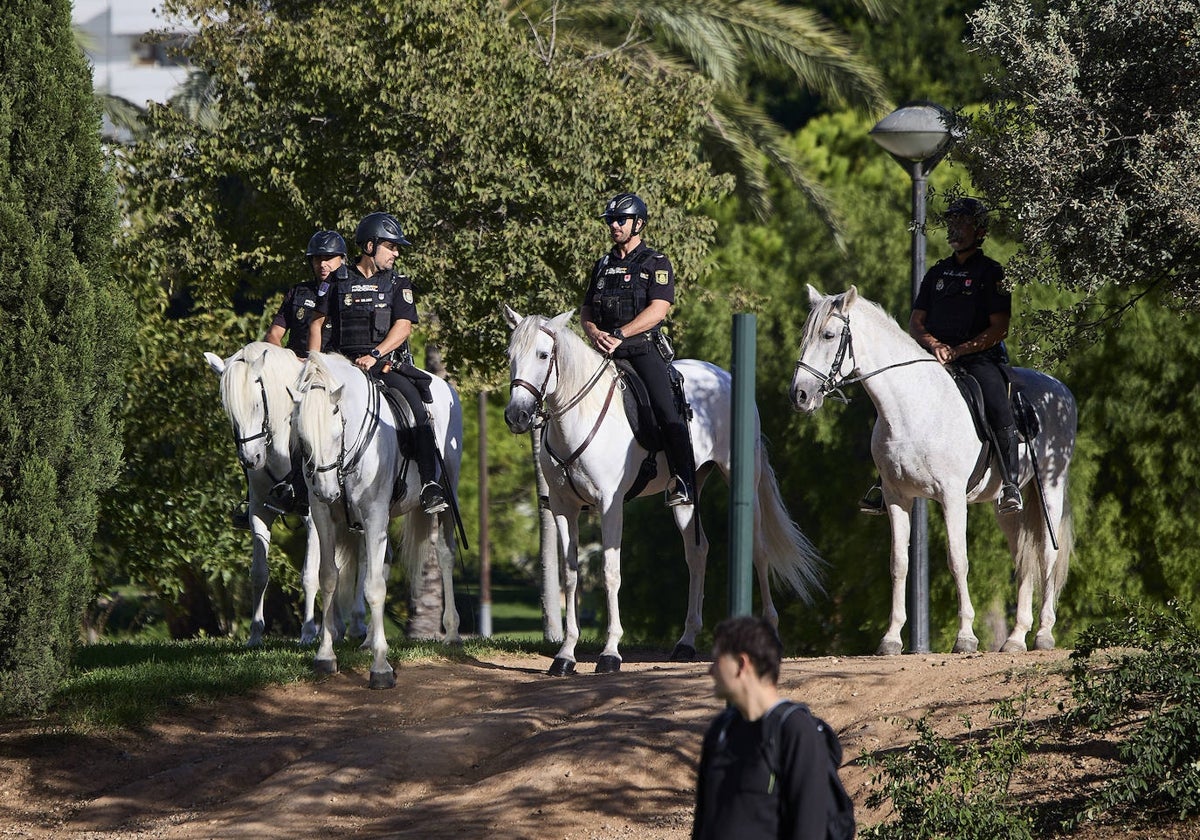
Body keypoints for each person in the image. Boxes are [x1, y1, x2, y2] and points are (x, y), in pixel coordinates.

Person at [859, 196, 1022, 516]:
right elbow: (916, 322)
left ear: (979, 230)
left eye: (962, 222)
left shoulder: (993, 272)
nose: (954, 229)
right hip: (935, 357)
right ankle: (885, 481)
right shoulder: (938, 272)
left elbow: (999, 328)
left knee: (997, 403)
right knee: (894, 401)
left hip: (979, 359)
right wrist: (934, 345)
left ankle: (1011, 483)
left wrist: (961, 349)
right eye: (951, 222)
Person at [310, 211, 448, 516]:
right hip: (341, 369)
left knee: (417, 405)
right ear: (370, 246)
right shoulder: (336, 281)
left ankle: (428, 484)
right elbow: (317, 324)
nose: (396, 253)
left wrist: (375, 354)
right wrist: (315, 367)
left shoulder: (399, 282)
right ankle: (294, 484)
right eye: (392, 246)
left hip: (386, 367)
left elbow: (403, 327)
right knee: (305, 414)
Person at [580, 192, 696, 507]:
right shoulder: (602, 264)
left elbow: (659, 310)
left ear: (638, 223)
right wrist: (592, 332)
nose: (614, 226)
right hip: (604, 352)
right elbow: (587, 308)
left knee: (665, 406)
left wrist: (620, 333)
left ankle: (684, 477)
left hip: (641, 350)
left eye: (621, 220)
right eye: (611, 221)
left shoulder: (655, 262)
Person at [692, 616, 847, 840]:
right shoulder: (720, 730)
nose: (711, 670)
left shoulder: (796, 732)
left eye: (717, 660)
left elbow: (809, 829)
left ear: (741, 665)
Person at [230, 231, 345, 530]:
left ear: (342, 260)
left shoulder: (345, 295)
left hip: (330, 376)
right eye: (317, 258)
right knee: (258, 420)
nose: (323, 264)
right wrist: (285, 363)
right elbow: (274, 335)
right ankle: (255, 495)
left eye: (329, 258)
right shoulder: (298, 293)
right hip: (294, 373)